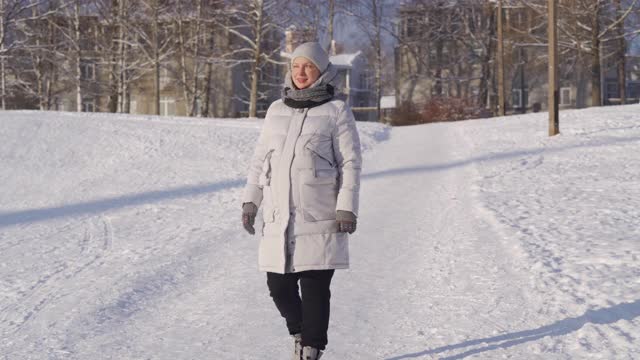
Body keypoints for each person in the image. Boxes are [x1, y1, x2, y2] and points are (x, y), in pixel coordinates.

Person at [241, 42, 362, 360]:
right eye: (296, 66)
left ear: (322, 70)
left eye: (308, 66)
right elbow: (259, 159)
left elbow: (350, 162)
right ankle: (299, 332)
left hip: (320, 214)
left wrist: (346, 206)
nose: (301, 72)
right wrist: (250, 201)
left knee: (315, 288)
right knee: (278, 285)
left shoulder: (336, 110)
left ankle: (311, 348)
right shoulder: (276, 110)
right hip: (279, 215)